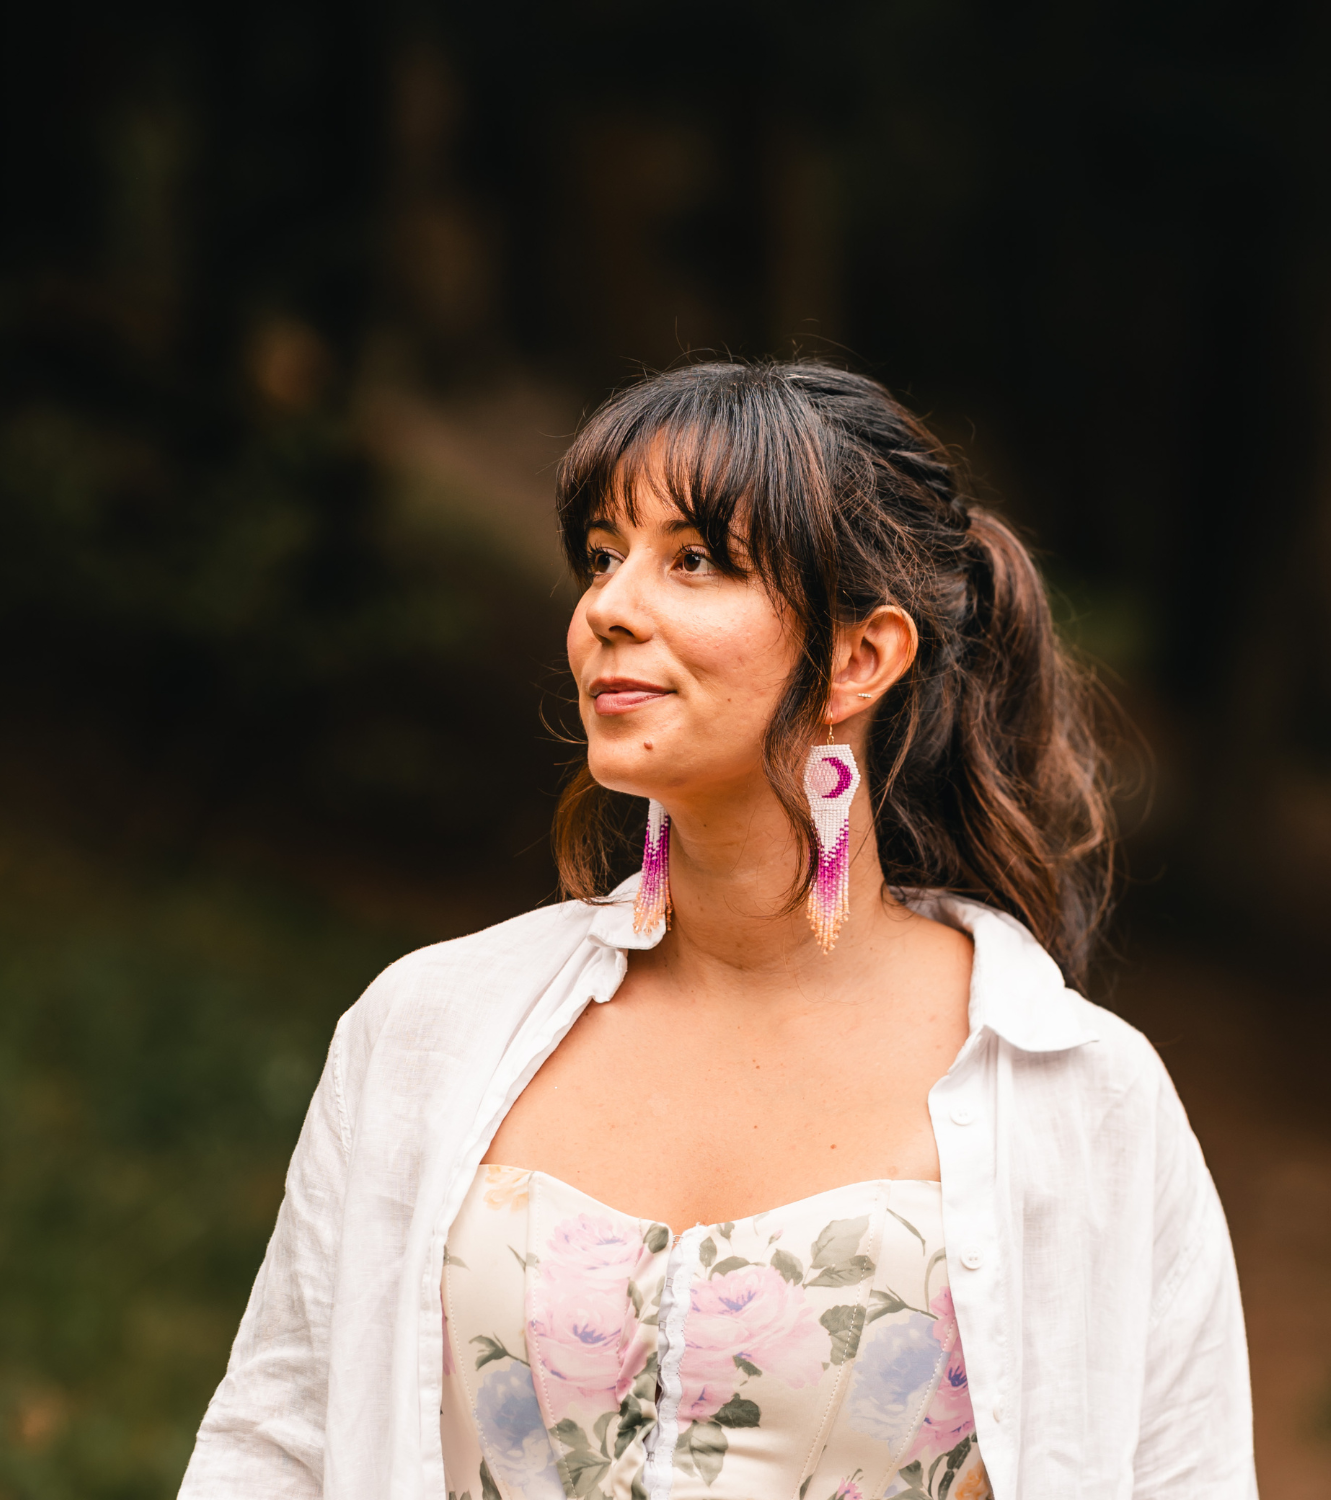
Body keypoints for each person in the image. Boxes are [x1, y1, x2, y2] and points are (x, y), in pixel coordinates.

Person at [179, 361, 1255, 1500]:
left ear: (860, 657)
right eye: (604, 556)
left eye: (692, 560)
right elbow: (276, 1449)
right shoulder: (424, 1033)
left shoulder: (1078, 1098)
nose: (609, 607)